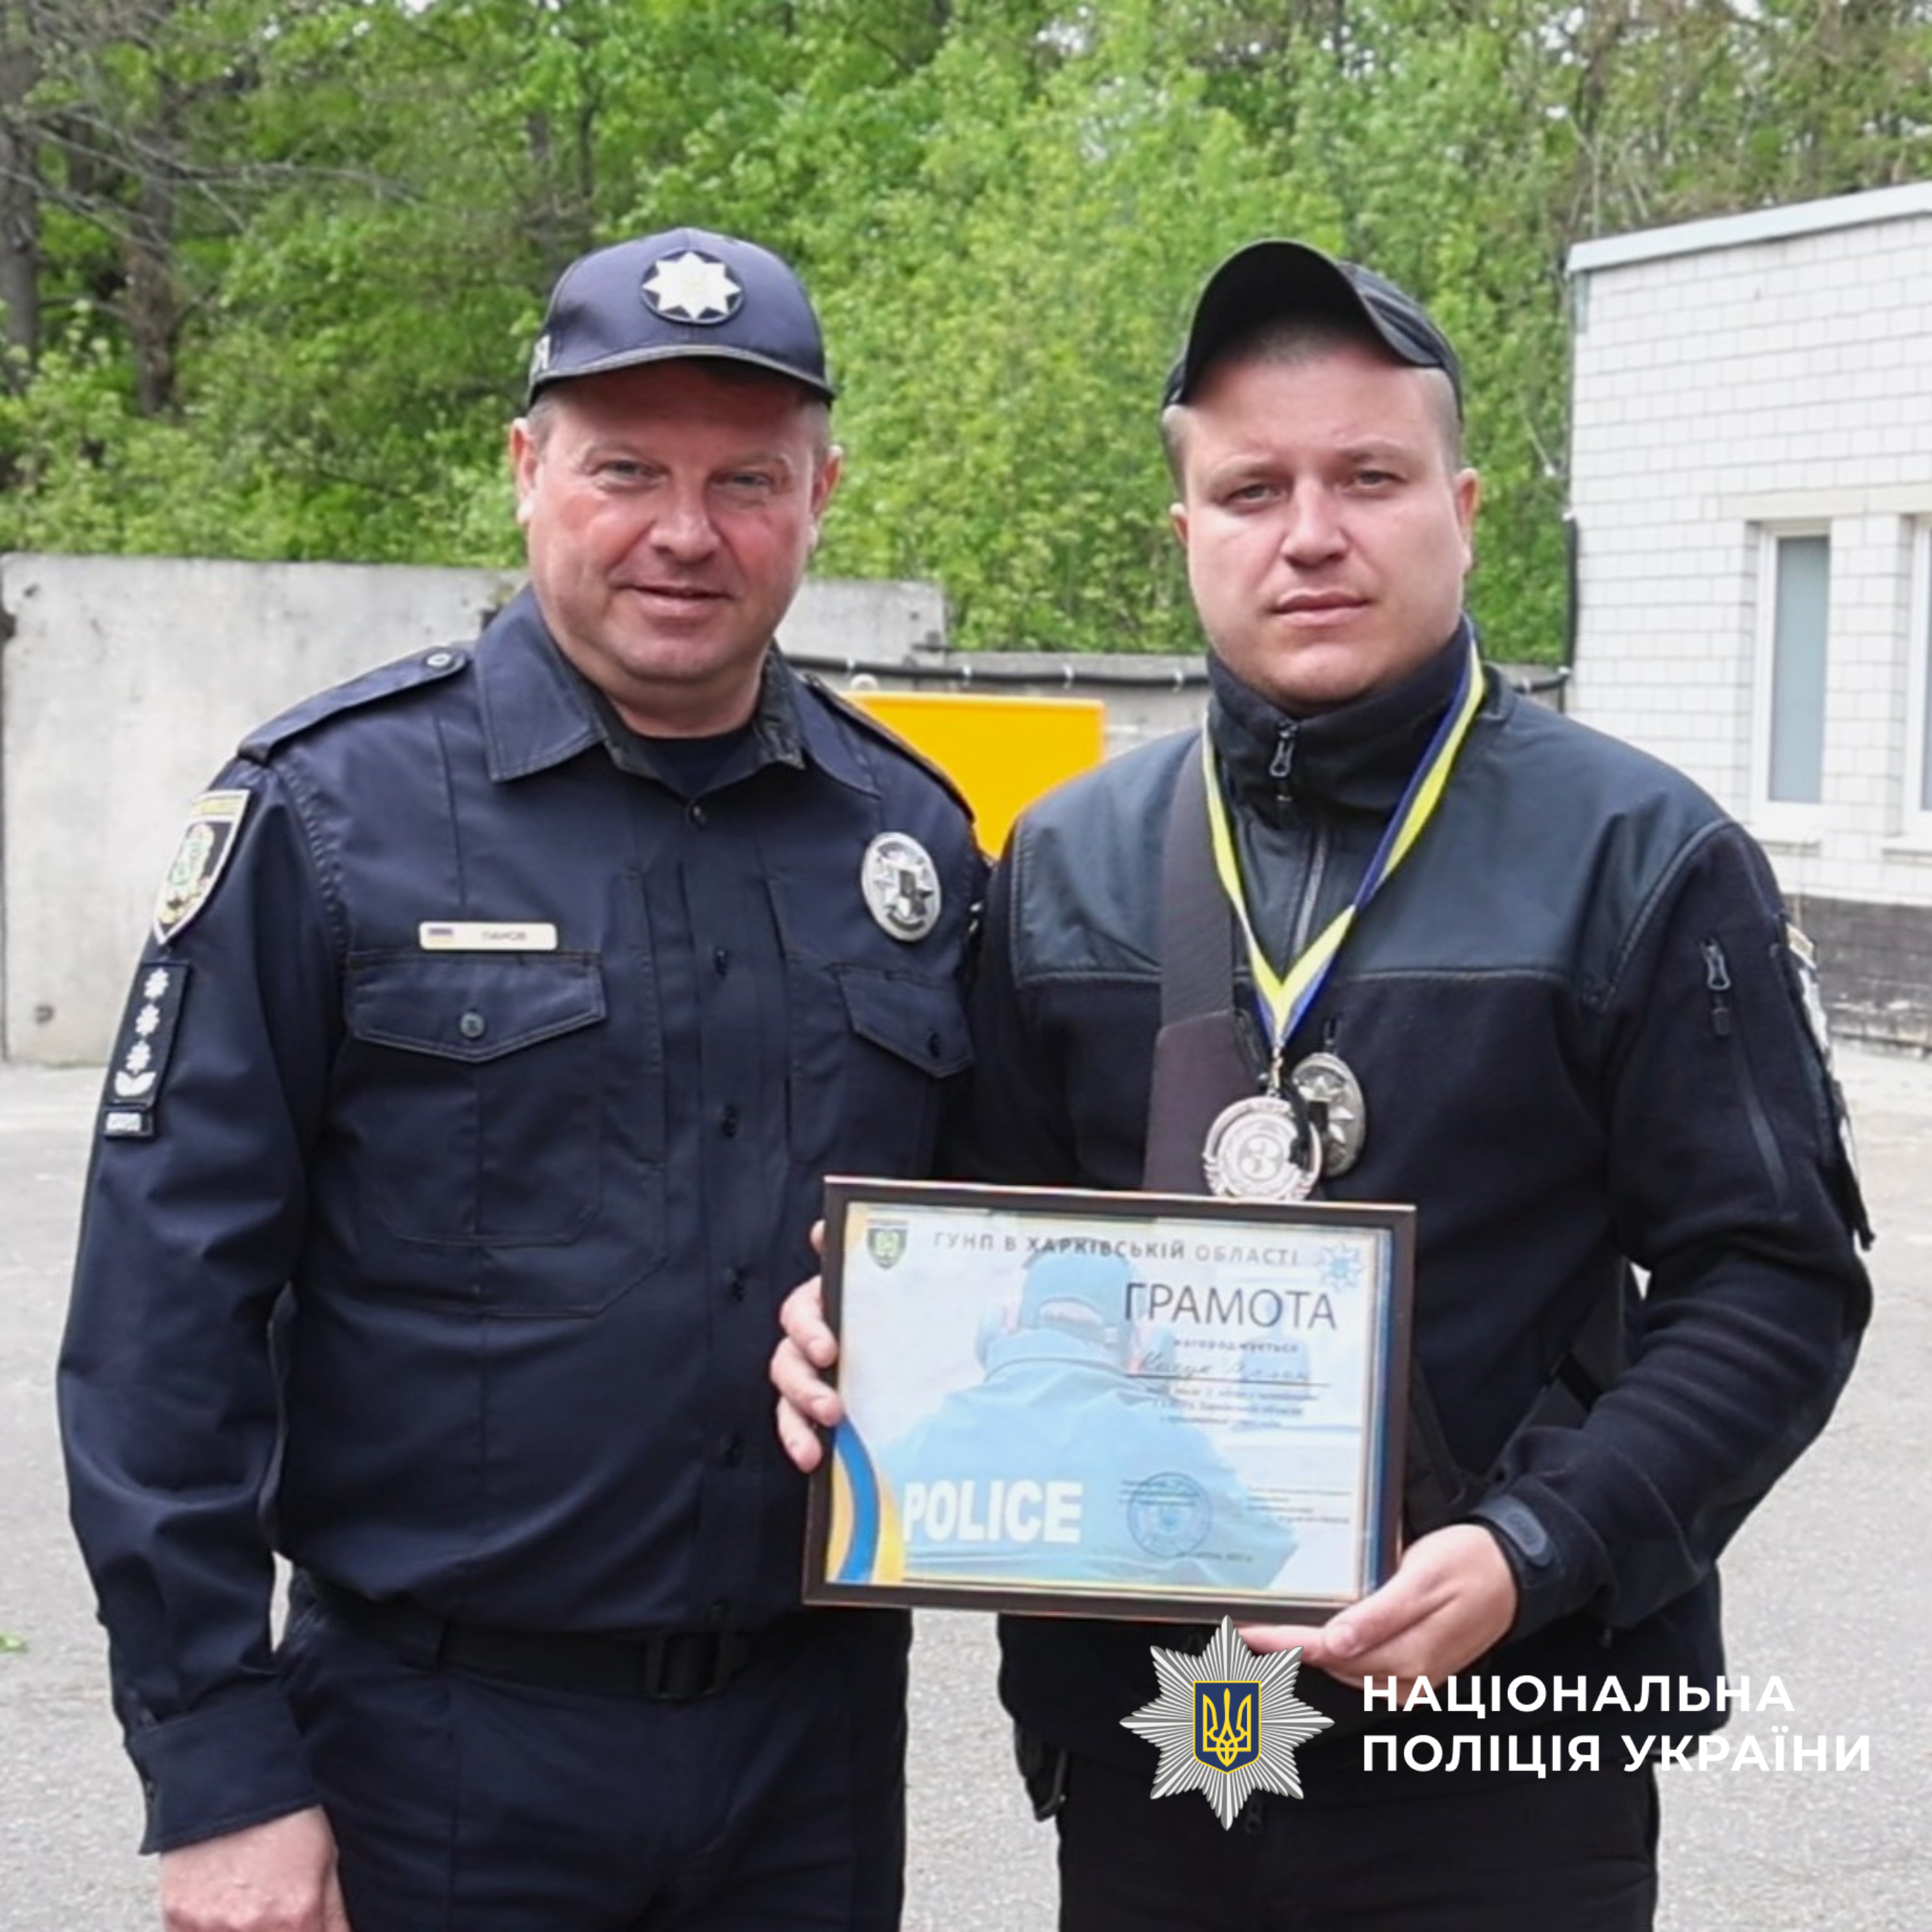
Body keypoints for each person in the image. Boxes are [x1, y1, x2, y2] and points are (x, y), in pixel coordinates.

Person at [773, 239, 1871, 1930]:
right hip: (1154, 1733)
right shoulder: (1063, 862)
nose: (1308, 532)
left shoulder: (1640, 855)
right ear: (1185, 531)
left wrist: (1536, 1546)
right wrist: (862, 1331)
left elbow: (1771, 1280)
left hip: (1502, 1727)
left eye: (1367, 476)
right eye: (1250, 488)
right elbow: (984, 1252)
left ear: (1462, 508)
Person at [60, 225, 982, 1932]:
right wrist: (219, 1767)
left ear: (820, 494)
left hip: (811, 1751)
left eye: (745, 478)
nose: (685, 531)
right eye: (625, 469)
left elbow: (1003, 1244)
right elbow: (159, 1324)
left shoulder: (909, 839)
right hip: (433, 1756)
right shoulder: (328, 815)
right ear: (525, 470)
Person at [874, 1244, 1298, 1592]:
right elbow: (1263, 1550)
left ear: (1001, 1327)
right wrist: (1164, 1412)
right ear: (1145, 1348)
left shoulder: (918, 1444)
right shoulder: (1164, 1444)